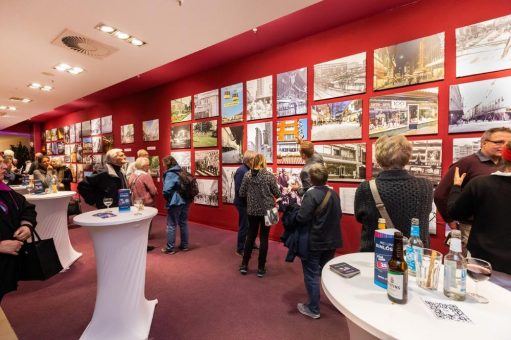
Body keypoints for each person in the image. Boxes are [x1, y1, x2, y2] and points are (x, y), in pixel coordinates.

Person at [435, 127, 511, 253]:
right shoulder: (467, 163)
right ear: (484, 143)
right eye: (499, 142)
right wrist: (450, 220)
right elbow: (440, 194)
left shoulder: (505, 165)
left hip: (499, 229)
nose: (504, 146)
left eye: (507, 143)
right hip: (470, 229)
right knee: (472, 267)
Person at [355, 135, 433, 251]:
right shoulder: (425, 186)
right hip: (413, 256)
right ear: (407, 156)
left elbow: (360, 218)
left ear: (378, 158)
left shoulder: (366, 188)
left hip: (377, 254)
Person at [447, 140, 511, 275]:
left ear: (504, 156)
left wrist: (456, 187)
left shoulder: (481, 184)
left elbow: (455, 212)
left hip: (482, 259)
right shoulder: (479, 180)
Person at [294, 163, 342, 319]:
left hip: (315, 240)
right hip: (331, 240)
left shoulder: (311, 194)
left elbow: (302, 217)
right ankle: (336, 303)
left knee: (311, 273)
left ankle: (313, 308)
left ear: (311, 179)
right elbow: (339, 215)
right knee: (325, 272)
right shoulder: (333, 194)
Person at [0, 154, 36, 302]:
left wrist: (26, 224)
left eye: (3, 163)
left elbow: (26, 208)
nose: (4, 167)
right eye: (0, 164)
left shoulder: (5, 190)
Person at [238, 153, 280, 277]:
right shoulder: (268, 175)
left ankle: (244, 265)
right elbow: (277, 193)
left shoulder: (247, 175)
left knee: (250, 236)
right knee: (264, 238)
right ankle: (261, 268)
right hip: (268, 210)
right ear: (263, 162)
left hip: (252, 211)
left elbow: (241, 193)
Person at [161, 155, 191, 254]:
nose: (163, 165)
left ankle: (170, 248)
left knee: (171, 225)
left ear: (167, 163)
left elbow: (166, 190)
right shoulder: (182, 170)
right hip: (186, 200)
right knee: (183, 223)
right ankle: (185, 245)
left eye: (164, 163)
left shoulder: (170, 174)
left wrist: (168, 199)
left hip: (175, 201)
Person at [129, 157, 158, 251]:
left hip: (135, 202)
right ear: (144, 166)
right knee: (147, 224)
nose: (148, 166)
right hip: (147, 203)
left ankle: (137, 243)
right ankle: (144, 245)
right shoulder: (146, 175)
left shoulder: (133, 175)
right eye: (147, 165)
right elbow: (153, 191)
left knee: (138, 222)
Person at [234, 150, 257, 256]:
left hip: (249, 202)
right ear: (249, 160)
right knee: (245, 225)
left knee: (251, 224)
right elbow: (240, 190)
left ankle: (251, 243)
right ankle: (240, 248)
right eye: (254, 159)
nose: (255, 161)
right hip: (242, 203)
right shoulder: (241, 171)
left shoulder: (249, 169)